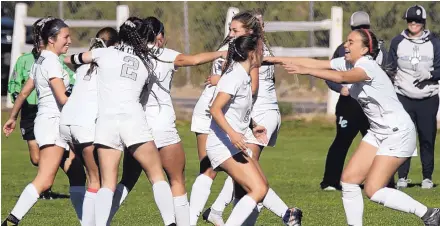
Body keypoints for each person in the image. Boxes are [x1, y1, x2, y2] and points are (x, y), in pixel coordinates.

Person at [265, 28, 440, 226]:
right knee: (348, 180)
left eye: (351, 42)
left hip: (397, 132)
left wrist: (308, 72)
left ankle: (430, 214)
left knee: (373, 190)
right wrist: (274, 60)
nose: (346, 45)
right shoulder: (349, 62)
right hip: (378, 131)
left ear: (365, 49)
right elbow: (316, 62)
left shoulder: (368, 66)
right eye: (346, 41)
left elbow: (341, 78)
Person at [106, 16, 226, 226]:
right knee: (176, 180)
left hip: (135, 125)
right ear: (158, 36)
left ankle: (101, 219)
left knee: (128, 180)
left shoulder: (128, 54)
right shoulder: (164, 54)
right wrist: (223, 53)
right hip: (161, 127)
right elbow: (195, 59)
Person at [64, 17, 180, 226]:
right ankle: (170, 222)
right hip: (133, 119)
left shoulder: (103, 53)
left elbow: (71, 60)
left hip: (106, 122)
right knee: (156, 175)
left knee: (107, 183)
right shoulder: (148, 59)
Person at [202, 10, 301, 226]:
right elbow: (215, 109)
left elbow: (239, 110)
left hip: (232, 142)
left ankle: (285, 215)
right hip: (222, 145)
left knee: (260, 188)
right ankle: (287, 215)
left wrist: (254, 126)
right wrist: (233, 134)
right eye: (257, 52)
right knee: (256, 189)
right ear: (250, 54)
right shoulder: (235, 77)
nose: (262, 55)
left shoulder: (244, 78)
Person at [2, 18, 86, 226]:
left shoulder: (42, 60)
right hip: (52, 125)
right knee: (45, 179)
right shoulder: (51, 62)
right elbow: (63, 99)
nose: (69, 40)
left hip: (52, 123)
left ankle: (88, 222)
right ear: (51, 39)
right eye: (65, 37)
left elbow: (24, 92)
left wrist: (12, 117)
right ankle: (11, 221)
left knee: (77, 175)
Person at [320, 11, 392, 191]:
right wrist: (340, 88)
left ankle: (386, 182)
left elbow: (389, 73)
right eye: (357, 28)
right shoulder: (342, 49)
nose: (361, 31)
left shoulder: (380, 50)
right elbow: (330, 76)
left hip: (371, 105)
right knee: (342, 141)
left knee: (380, 143)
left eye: (364, 28)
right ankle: (330, 181)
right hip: (349, 104)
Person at [60, 27, 119, 226]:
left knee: (91, 177)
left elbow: (68, 60)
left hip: (66, 123)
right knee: (97, 180)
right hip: (84, 125)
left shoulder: (83, 66)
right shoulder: (108, 65)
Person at [388, 4, 440, 190]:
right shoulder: (397, 42)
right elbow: (390, 68)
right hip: (403, 96)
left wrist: (431, 75)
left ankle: (427, 177)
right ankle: (402, 177)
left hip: (428, 98)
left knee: (427, 138)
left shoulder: (434, 42)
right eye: (410, 20)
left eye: (417, 21)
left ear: (423, 23)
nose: (414, 23)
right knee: (404, 137)